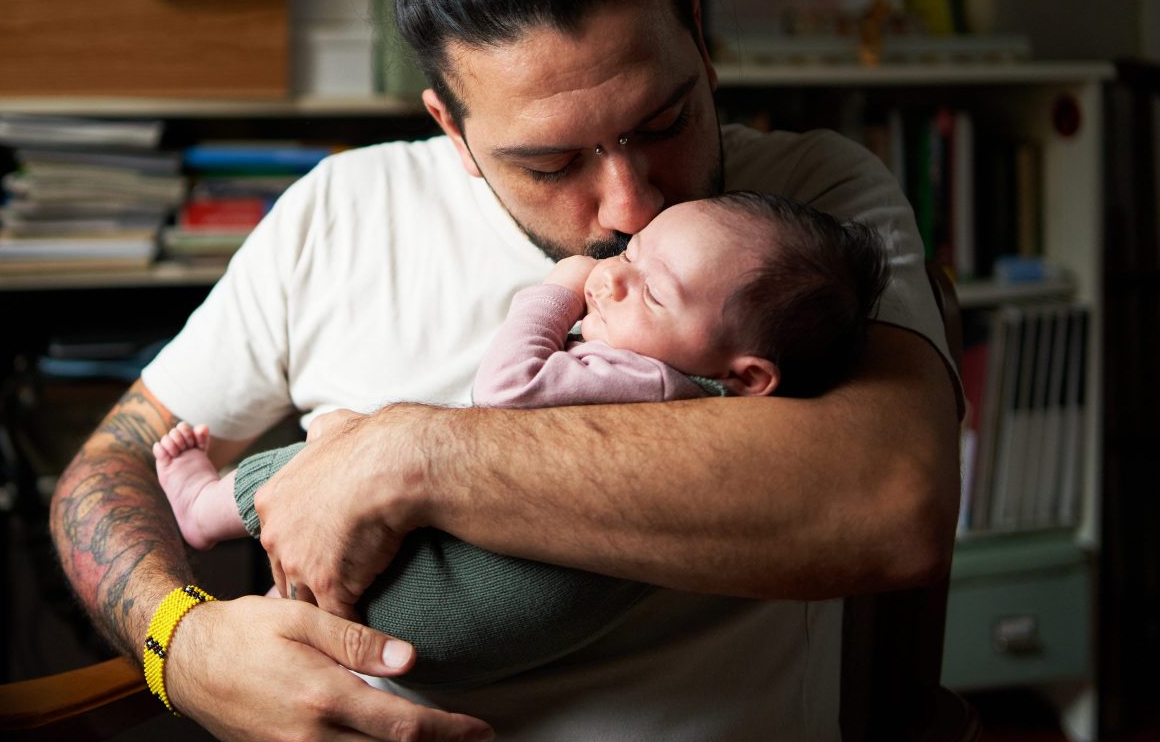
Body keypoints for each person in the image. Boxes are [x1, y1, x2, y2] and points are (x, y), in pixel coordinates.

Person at [49, 0, 960, 742]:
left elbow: (891, 502)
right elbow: (107, 469)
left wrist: (408, 453)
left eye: (663, 123)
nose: (630, 207)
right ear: (452, 128)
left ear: (696, 34)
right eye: (553, 163)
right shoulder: (342, 211)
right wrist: (181, 644)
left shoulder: (808, 213)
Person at [151, 192, 891, 687]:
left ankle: (204, 507)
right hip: (454, 637)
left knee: (325, 450)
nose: (610, 278)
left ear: (747, 376)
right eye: (630, 253)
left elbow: (506, 389)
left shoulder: (651, 383)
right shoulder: (689, 385)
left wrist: (556, 290)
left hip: (438, 606)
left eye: (653, 291)